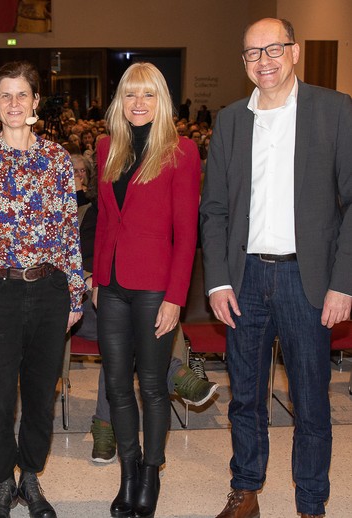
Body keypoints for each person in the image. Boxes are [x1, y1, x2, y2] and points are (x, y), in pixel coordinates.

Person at [200, 18, 352, 518]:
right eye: (251, 53)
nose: (263, 61)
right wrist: (218, 279)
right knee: (245, 397)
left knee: (310, 402)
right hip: (244, 279)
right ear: (243, 61)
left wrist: (343, 283)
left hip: (307, 282)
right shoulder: (229, 120)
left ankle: (311, 503)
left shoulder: (333, 110)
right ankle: (246, 491)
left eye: (273, 49)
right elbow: (215, 208)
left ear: (295, 51)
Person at [0, 60, 85, 518]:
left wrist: (75, 296)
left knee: (43, 393)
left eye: (21, 94)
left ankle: (31, 476)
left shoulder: (57, 159)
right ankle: (3, 481)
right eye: (4, 95)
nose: (13, 103)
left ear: (36, 101)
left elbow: (69, 231)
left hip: (49, 291)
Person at [92, 62, 201, 518]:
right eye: (131, 95)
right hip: (112, 286)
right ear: (120, 100)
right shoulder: (105, 148)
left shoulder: (182, 152)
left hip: (156, 287)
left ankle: (151, 474)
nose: (138, 103)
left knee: (153, 387)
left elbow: (186, 232)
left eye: (148, 95)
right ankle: (129, 471)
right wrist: (97, 280)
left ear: (162, 101)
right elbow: (101, 221)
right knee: (117, 386)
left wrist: (176, 296)